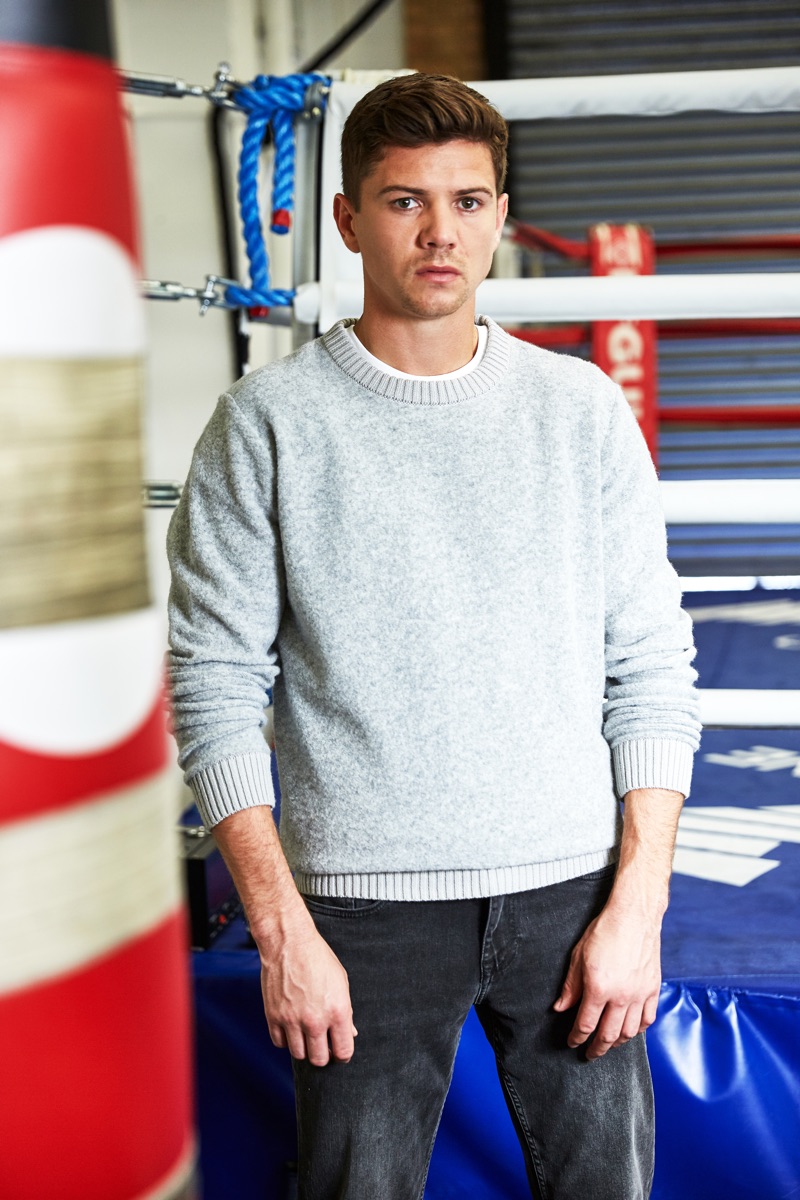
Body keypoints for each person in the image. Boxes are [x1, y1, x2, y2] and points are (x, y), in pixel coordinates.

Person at [167, 72, 701, 1200]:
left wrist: (638, 905)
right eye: (404, 201)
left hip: (570, 887)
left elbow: (648, 665)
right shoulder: (266, 424)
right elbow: (214, 685)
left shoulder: (578, 410)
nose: (439, 231)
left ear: (501, 216)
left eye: (466, 201)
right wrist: (280, 930)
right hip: (358, 905)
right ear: (348, 219)